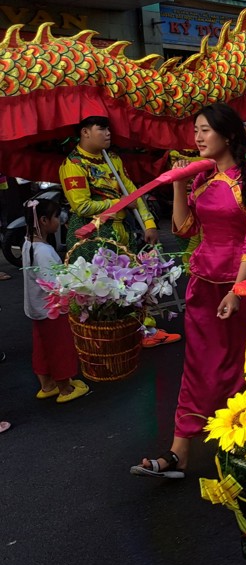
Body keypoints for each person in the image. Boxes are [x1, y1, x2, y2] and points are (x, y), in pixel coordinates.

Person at [130, 103, 246, 478]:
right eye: (195, 130)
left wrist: (238, 289)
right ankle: (179, 451)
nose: (197, 137)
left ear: (228, 135)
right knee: (199, 366)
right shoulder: (200, 180)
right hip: (203, 285)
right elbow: (182, 228)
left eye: (205, 130)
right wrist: (178, 183)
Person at [59, 116, 159, 256]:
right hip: (93, 236)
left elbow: (132, 192)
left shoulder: (113, 159)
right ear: (85, 132)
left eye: (108, 128)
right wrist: (120, 203)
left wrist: (149, 224)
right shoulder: (73, 164)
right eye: (101, 129)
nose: (108, 133)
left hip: (122, 230)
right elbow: (82, 206)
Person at [23, 199, 90, 403]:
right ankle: (65, 388)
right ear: (43, 220)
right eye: (56, 217)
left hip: (36, 308)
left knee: (42, 347)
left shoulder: (27, 244)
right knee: (59, 348)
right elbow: (53, 285)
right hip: (52, 309)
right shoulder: (44, 251)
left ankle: (47, 384)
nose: (59, 221)